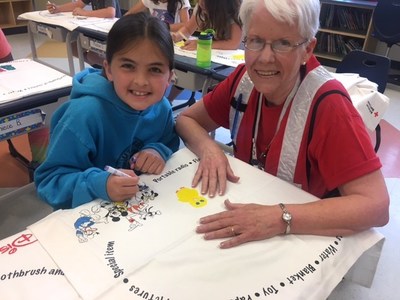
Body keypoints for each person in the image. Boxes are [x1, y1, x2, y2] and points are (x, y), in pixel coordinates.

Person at [175, 0, 389, 249]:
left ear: (308, 50)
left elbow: (376, 206)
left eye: (283, 43)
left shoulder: (329, 105)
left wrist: (278, 218)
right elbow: (186, 119)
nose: (265, 58)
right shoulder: (242, 80)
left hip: (302, 237)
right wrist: (209, 149)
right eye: (255, 40)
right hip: (251, 213)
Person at [35, 13, 180, 210]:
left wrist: (157, 150)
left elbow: (169, 141)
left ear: (170, 77)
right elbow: (49, 182)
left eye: (155, 70)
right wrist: (99, 184)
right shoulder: (83, 116)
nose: (141, 81)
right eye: (128, 66)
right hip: (85, 220)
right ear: (109, 69)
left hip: (139, 212)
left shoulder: (161, 107)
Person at [168, 0, 242, 103]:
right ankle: (169, 100)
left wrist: (201, 44)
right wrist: (177, 36)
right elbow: (188, 30)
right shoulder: (201, 7)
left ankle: (207, 107)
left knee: (213, 83)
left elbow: (233, 44)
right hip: (212, 53)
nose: (200, 3)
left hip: (228, 60)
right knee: (185, 72)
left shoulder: (234, 13)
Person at [125, 0, 191, 32]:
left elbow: (186, 25)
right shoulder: (149, 0)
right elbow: (129, 14)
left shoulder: (181, 1)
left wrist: (163, 26)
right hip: (155, 35)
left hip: (174, 37)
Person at [46, 0, 121, 18]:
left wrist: (85, 13)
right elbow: (78, 4)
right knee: (74, 47)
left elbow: (110, 12)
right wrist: (58, 9)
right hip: (99, 25)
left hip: (113, 29)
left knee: (91, 56)